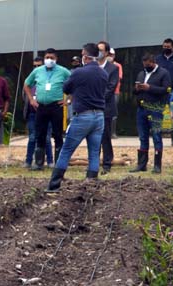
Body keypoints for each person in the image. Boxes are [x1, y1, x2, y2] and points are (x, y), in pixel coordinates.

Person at [46, 43, 108, 193]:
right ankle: (91, 185)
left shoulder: (78, 72)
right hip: (99, 116)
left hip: (83, 116)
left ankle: (54, 185)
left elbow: (66, 89)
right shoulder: (103, 73)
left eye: (82, 54)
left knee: (66, 150)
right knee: (94, 153)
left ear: (85, 57)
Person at [24, 48, 71, 170]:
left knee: (57, 134)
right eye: (47, 57)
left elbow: (75, 83)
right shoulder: (38, 71)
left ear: (56, 59)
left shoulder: (63, 71)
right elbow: (26, 84)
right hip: (41, 106)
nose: (49, 60)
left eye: (52, 58)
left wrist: (69, 100)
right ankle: (39, 163)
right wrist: (31, 99)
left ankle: (59, 163)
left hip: (56, 106)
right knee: (40, 134)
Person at [131, 53, 172, 174]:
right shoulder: (141, 73)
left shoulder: (163, 73)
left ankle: (157, 165)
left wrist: (150, 88)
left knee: (156, 136)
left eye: (148, 64)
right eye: (144, 64)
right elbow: (134, 91)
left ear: (153, 62)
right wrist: (137, 89)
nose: (146, 66)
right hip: (141, 109)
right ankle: (142, 164)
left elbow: (166, 89)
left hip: (155, 108)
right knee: (143, 137)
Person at [24, 57, 53, 168]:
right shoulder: (29, 81)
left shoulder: (49, 79)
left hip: (46, 113)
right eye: (34, 66)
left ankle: (50, 161)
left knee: (46, 138)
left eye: (39, 65)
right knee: (32, 137)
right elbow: (25, 96)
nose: (36, 68)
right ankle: (28, 161)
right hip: (32, 114)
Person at [98, 41, 120, 175]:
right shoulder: (92, 66)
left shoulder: (113, 68)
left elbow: (111, 88)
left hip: (105, 107)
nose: (99, 52)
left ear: (106, 53)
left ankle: (107, 163)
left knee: (105, 136)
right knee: (93, 136)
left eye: (101, 50)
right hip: (92, 107)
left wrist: (96, 99)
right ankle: (94, 162)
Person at [108, 48, 123, 139]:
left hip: (115, 92)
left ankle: (113, 132)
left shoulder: (118, 66)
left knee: (113, 112)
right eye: (108, 54)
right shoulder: (101, 65)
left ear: (114, 55)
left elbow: (119, 78)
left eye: (111, 54)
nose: (110, 56)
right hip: (103, 92)